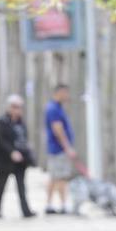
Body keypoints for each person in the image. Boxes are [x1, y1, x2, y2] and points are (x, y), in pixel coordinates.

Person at [0, 94, 36, 219]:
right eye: (15, 107)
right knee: (1, 184)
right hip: (5, 160)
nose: (17, 110)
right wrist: (11, 152)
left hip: (21, 159)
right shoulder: (1, 122)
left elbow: (23, 138)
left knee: (21, 186)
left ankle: (26, 210)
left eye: (20, 107)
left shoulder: (21, 123)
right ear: (9, 107)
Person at [44, 84, 78, 215]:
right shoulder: (53, 109)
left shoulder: (56, 107)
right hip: (58, 149)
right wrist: (67, 147)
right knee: (61, 177)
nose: (67, 96)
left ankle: (49, 204)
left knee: (54, 177)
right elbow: (58, 129)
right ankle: (63, 204)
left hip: (56, 148)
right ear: (60, 92)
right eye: (66, 93)